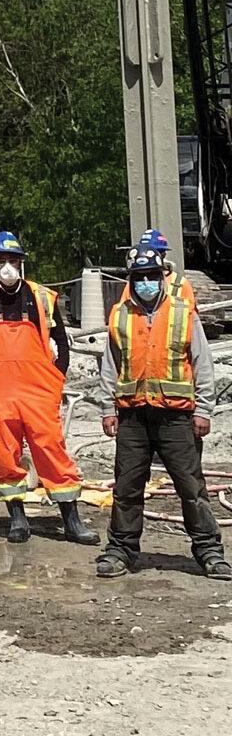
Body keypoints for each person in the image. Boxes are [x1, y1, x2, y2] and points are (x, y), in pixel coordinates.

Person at [97, 247, 231, 579]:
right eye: (139, 277)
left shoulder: (184, 312)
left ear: (162, 277)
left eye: (151, 276)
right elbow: (110, 365)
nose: (145, 283)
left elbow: (202, 363)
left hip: (177, 419)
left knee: (191, 487)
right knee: (127, 488)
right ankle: (120, 550)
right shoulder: (120, 315)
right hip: (133, 417)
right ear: (131, 280)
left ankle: (210, 553)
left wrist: (203, 409)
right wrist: (106, 408)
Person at [0, 231, 99, 545]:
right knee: (5, 456)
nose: (6, 266)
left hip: (38, 389)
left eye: (11, 260)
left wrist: (56, 379)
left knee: (51, 449)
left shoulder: (41, 297)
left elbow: (61, 342)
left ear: (21, 262)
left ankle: (72, 520)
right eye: (0, 260)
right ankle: (18, 519)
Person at [119, 229, 195, 307]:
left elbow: (190, 314)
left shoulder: (180, 284)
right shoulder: (133, 284)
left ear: (163, 255)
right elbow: (124, 310)